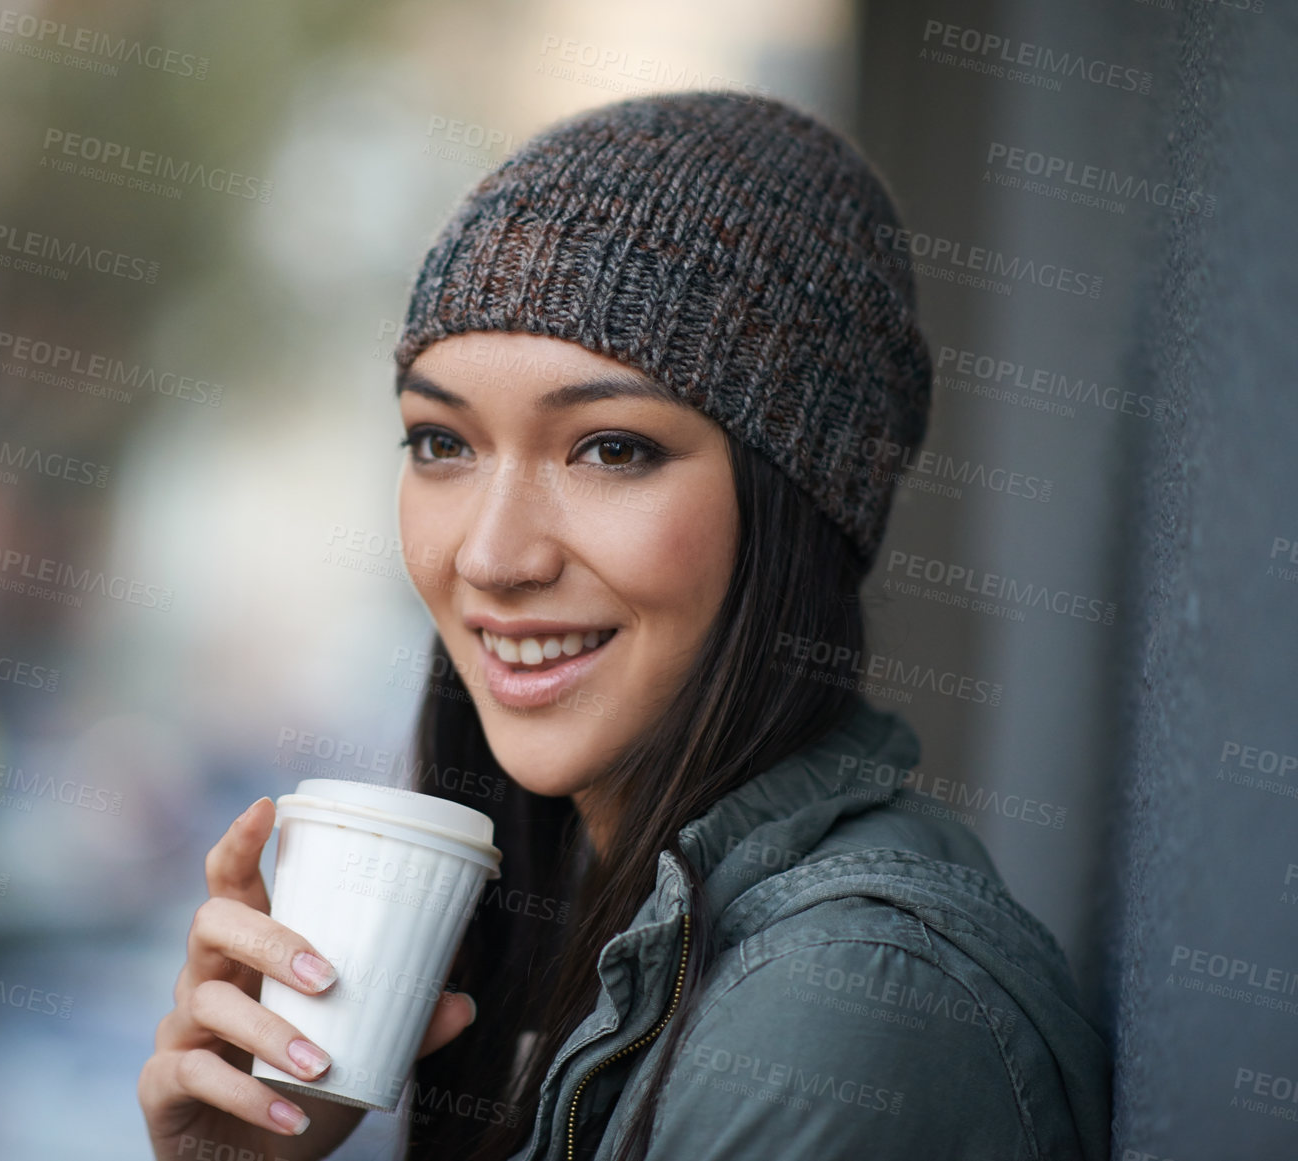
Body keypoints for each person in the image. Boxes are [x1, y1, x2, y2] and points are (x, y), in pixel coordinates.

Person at [137, 90, 1113, 1161]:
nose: (493, 557)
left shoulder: (842, 1019)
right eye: (440, 443)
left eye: (610, 449)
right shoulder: (609, 937)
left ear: (797, 505)